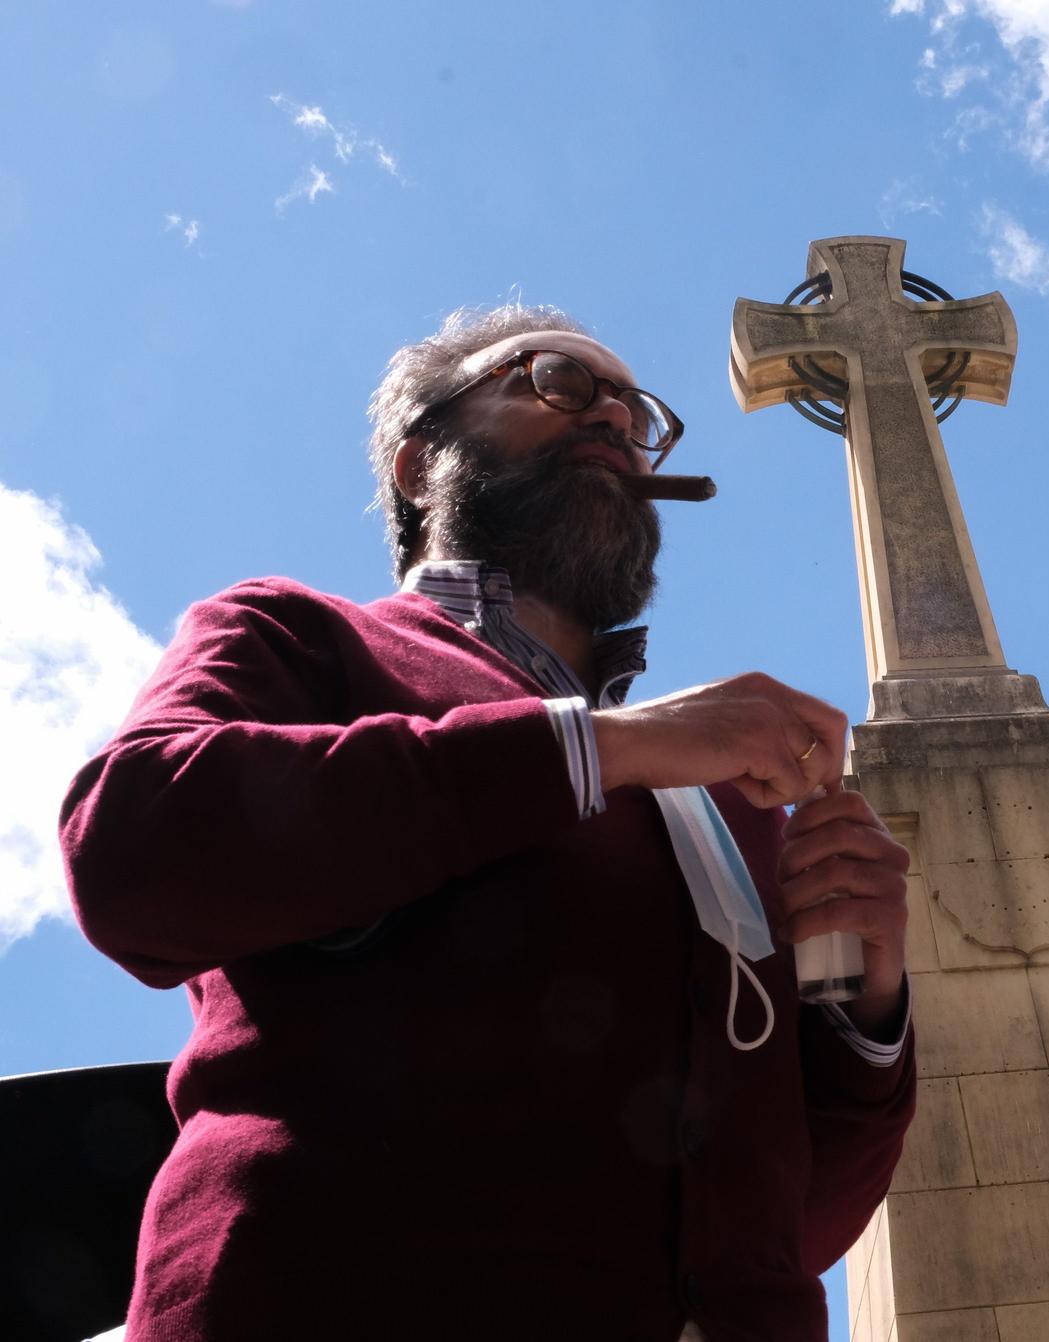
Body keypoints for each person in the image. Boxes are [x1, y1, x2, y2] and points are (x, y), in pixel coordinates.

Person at [59, 305, 916, 1342]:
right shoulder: (295, 637)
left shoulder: (731, 803)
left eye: (636, 411)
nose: (611, 411)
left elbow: (794, 1221)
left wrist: (864, 1016)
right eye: (553, 377)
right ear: (418, 464)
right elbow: (134, 848)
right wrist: (602, 748)